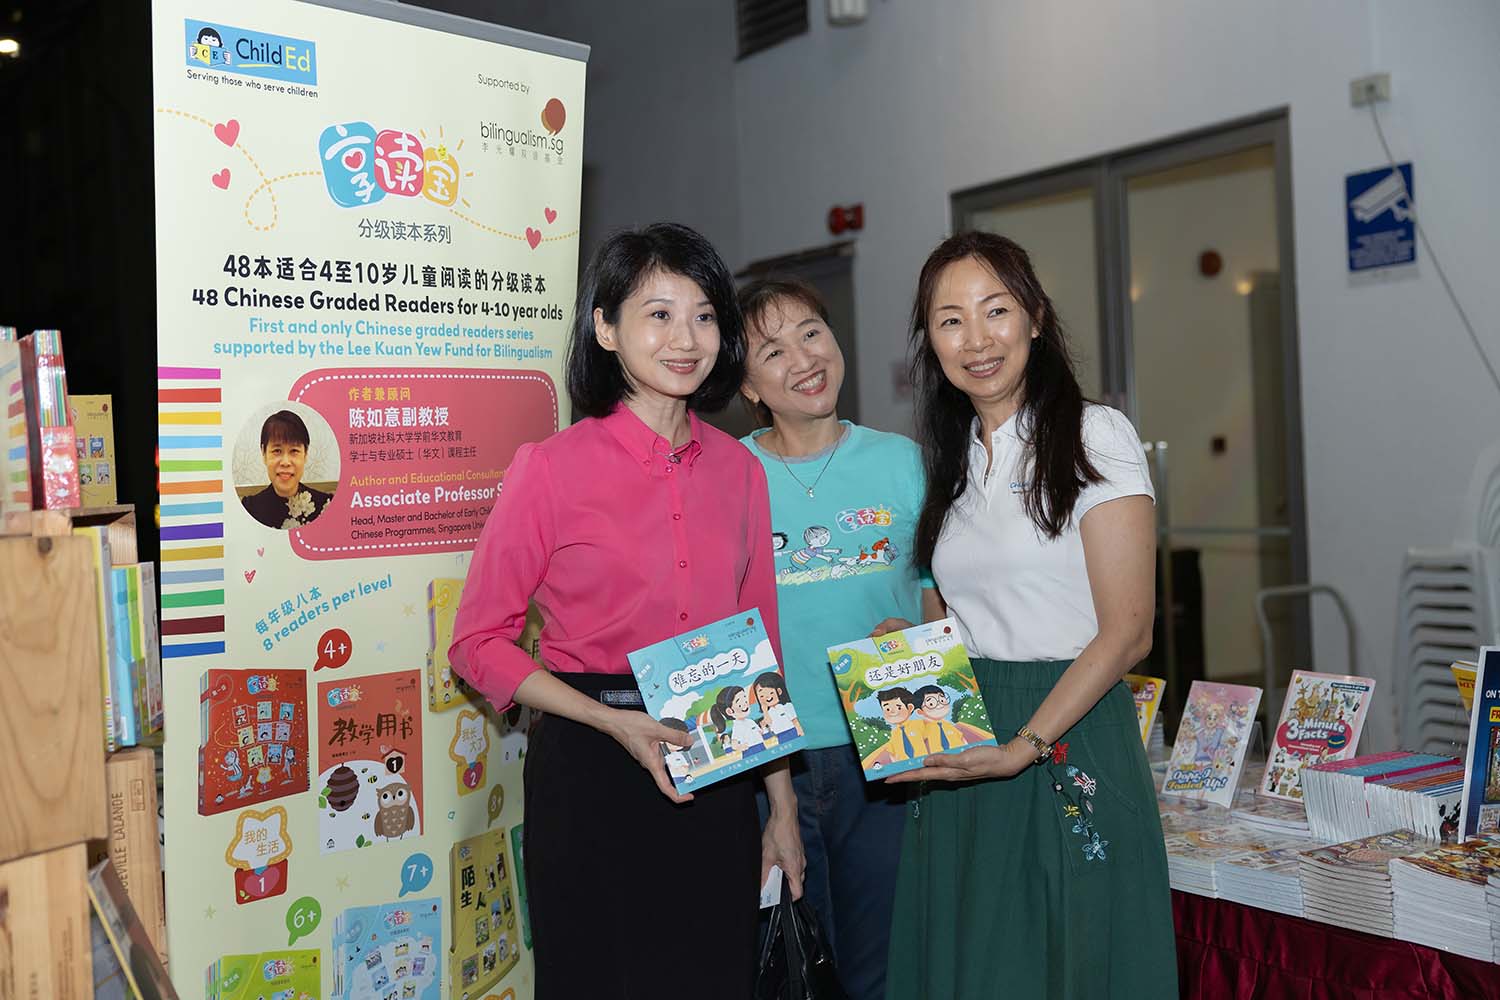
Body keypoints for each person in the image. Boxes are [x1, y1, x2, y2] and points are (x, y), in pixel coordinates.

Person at [448, 223, 803, 999]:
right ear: (606, 328)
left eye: (704, 315)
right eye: (659, 314)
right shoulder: (550, 468)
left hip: (717, 751)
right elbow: (477, 643)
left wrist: (780, 807)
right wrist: (611, 722)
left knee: (711, 976)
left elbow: (762, 646)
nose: (686, 338)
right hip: (591, 763)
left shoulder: (740, 469)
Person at [883, 231, 1177, 998]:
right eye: (950, 321)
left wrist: (1025, 745)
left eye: (996, 310)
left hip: (1066, 730)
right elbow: (967, 616)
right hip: (967, 741)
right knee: (975, 963)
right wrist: (908, 649)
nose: (976, 340)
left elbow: (1130, 630)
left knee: (1062, 957)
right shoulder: (952, 459)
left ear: (1036, 318)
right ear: (930, 342)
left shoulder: (1093, 435)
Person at [738, 276, 936, 1000]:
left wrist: (917, 636)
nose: (803, 359)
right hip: (771, 764)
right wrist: (777, 801)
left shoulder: (903, 461)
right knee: (792, 972)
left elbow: (936, 594)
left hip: (889, 746)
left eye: (811, 333)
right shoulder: (729, 476)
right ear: (748, 386)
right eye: (772, 351)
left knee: (887, 969)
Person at [241, 409, 333, 530]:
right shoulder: (249, 508)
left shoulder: (326, 505)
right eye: (277, 451)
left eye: (294, 451)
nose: (285, 462)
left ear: (305, 454)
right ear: (264, 453)